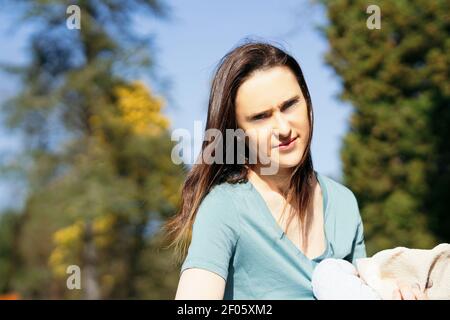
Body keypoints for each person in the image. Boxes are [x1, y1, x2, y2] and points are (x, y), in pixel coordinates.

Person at [163, 41, 423, 300]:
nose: (283, 128)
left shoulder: (344, 203)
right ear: (238, 133)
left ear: (307, 103)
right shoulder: (225, 208)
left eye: (290, 105)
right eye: (261, 117)